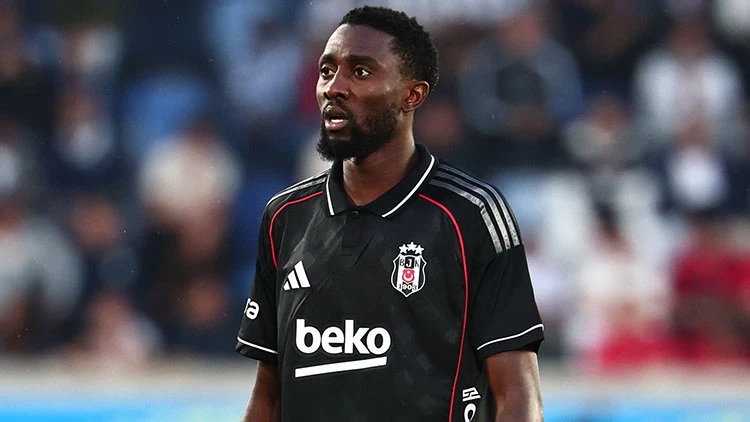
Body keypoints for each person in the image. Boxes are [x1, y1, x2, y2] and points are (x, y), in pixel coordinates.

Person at [236, 6, 544, 421]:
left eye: (360, 72)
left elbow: (518, 396)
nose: (334, 87)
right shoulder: (285, 217)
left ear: (411, 96)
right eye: (327, 71)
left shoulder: (470, 215)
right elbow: (268, 397)